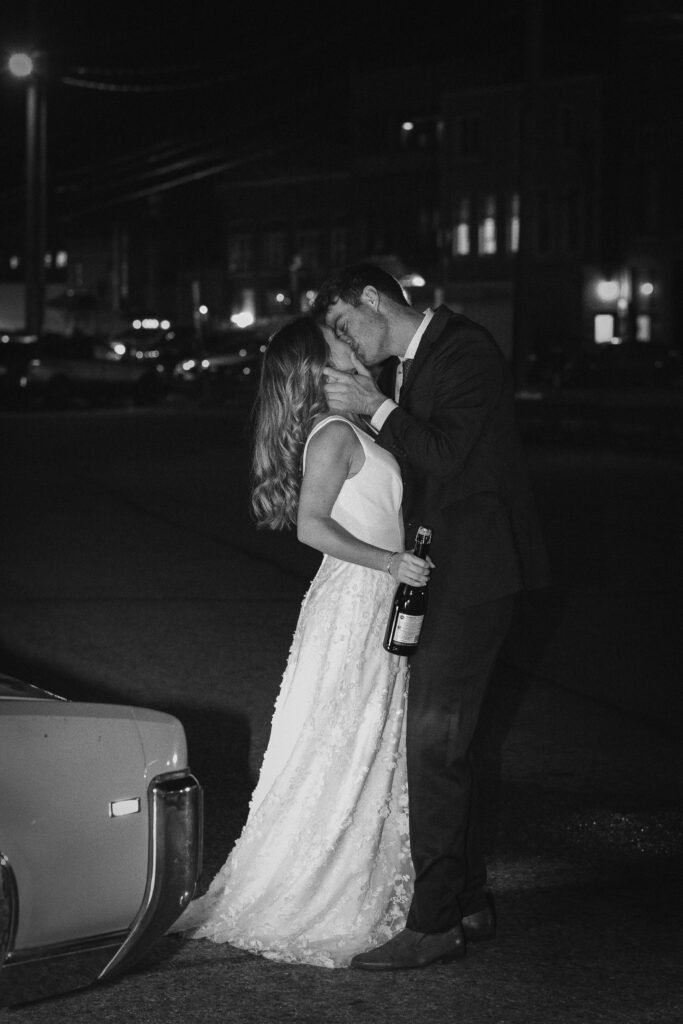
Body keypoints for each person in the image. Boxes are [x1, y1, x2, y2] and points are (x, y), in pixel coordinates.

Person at [170, 315, 432, 967]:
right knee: (339, 738)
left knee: (364, 737)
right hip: (354, 597)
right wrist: (389, 564)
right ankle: (315, 888)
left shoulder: (357, 425)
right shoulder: (334, 434)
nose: (351, 347)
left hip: (370, 596)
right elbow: (310, 527)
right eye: (337, 344)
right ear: (314, 371)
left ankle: (352, 874)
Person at [313, 263, 550, 970]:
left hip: (475, 575)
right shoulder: (419, 360)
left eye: (343, 323)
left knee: (433, 745)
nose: (344, 340)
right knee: (458, 746)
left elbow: (448, 456)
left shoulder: (463, 350)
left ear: (372, 299)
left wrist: (376, 408)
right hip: (448, 571)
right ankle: (468, 899)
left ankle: (433, 923)